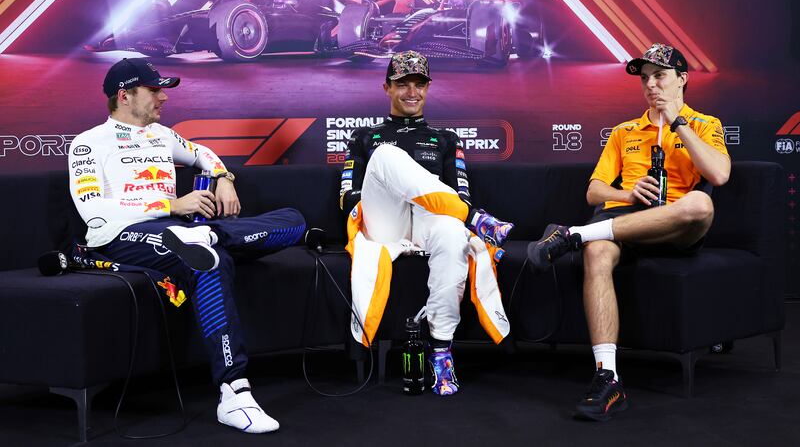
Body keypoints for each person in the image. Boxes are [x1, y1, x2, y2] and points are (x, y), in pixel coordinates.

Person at [68, 58, 306, 433]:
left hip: (182, 230)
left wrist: (223, 177)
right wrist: (171, 205)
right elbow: (93, 209)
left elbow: (203, 155)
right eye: (154, 90)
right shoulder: (88, 144)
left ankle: (213, 234)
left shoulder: (163, 135)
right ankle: (234, 392)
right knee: (208, 260)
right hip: (121, 235)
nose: (163, 97)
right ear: (124, 96)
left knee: (293, 220)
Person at [526, 43, 730, 420]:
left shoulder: (705, 124)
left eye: (660, 76)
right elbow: (594, 191)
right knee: (597, 252)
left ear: (682, 79)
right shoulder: (624, 131)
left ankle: (575, 235)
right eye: (645, 78)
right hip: (626, 220)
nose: (651, 85)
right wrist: (628, 193)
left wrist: (677, 121)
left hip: (675, 224)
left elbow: (718, 174)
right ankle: (608, 377)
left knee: (701, 204)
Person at [340, 50, 514, 396]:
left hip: (429, 224)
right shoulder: (364, 137)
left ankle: (441, 351)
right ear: (387, 88)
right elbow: (347, 198)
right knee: (387, 156)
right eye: (402, 84)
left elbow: (460, 196)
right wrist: (400, 188)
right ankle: (478, 222)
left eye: (419, 84)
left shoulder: (446, 139)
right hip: (384, 223)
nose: (412, 92)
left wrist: (429, 201)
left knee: (452, 234)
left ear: (428, 88)